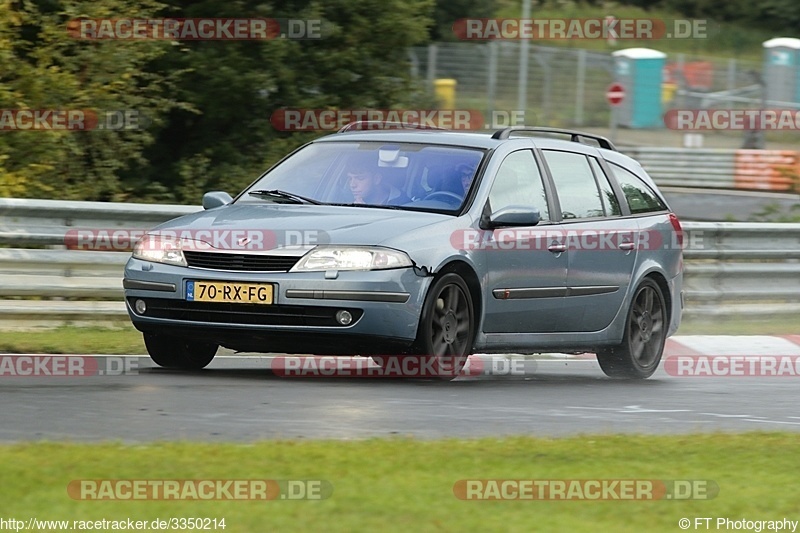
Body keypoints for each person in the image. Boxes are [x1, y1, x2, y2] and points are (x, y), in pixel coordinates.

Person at [346, 161, 410, 205]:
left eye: (360, 178)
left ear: (376, 179)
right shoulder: (342, 201)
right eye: (350, 179)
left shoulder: (404, 204)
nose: (352, 185)